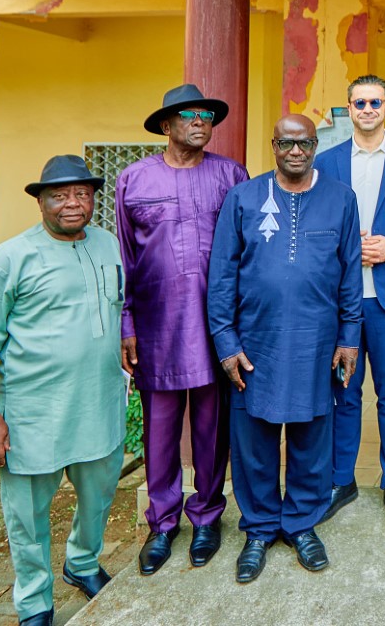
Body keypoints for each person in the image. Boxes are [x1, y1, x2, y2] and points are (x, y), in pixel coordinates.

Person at [0, 156, 126, 626]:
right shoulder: (9, 260)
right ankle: (34, 601)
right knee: (27, 516)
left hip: (99, 404)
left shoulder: (109, 244)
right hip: (33, 415)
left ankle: (82, 563)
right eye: (59, 195)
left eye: (83, 194)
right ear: (40, 201)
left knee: (99, 498)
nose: (73, 204)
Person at [208, 114, 362, 584]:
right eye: (287, 143)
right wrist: (226, 341)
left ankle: (300, 524)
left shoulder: (341, 199)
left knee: (312, 438)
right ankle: (258, 529)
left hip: (316, 342)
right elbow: (221, 276)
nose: (296, 152)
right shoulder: (243, 198)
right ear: (274, 146)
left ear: (316, 146)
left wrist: (348, 336)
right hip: (256, 343)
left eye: (305, 143)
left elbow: (350, 273)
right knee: (253, 440)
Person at [116, 84, 249, 575]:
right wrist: (127, 322)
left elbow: (247, 255)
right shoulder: (133, 180)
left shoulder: (231, 176)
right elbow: (125, 257)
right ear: (166, 125)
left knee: (213, 429)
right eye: (189, 114)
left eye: (207, 116)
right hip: (157, 325)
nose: (200, 122)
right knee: (160, 429)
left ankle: (208, 517)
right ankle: (163, 522)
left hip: (216, 325)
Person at [312, 74, 385, 531]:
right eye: (359, 103)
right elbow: (316, 223)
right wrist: (343, 247)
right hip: (340, 299)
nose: (366, 109)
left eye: (374, 102)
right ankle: (341, 480)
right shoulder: (327, 161)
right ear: (349, 108)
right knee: (344, 392)